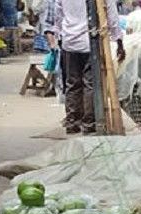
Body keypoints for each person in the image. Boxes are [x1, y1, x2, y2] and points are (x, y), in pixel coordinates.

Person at [49, 0, 124, 134]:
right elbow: (112, 16)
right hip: (90, 42)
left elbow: (58, 15)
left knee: (72, 82)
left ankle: (72, 121)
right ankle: (89, 123)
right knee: (90, 84)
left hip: (69, 41)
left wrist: (58, 35)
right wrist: (118, 40)